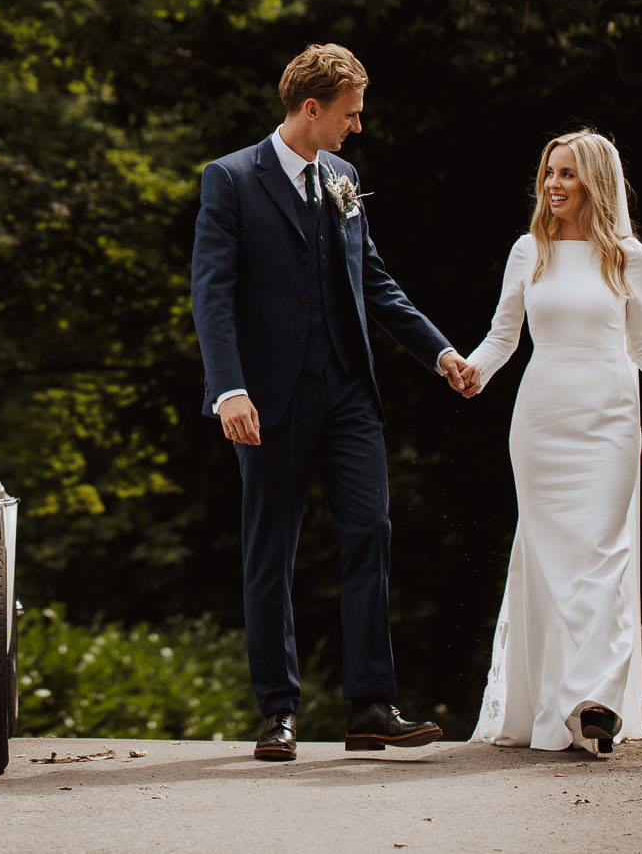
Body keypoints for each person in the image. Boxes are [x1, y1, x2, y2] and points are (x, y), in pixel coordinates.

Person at [190, 42, 479, 762]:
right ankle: (277, 711)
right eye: (348, 114)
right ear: (311, 108)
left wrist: (440, 351)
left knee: (368, 531)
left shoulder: (344, 177)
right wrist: (228, 388)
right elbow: (212, 293)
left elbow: (372, 281)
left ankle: (371, 706)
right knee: (271, 550)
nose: (357, 126)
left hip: (348, 390)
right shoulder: (229, 179)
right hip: (267, 397)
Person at [464, 128, 642, 756]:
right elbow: (503, 338)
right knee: (553, 562)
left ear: (594, 183)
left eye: (566, 174)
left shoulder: (626, 255)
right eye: (548, 173)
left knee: (603, 555)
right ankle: (561, 705)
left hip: (610, 419)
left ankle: (597, 702)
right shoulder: (528, 250)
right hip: (542, 420)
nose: (552, 185)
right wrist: (471, 369)